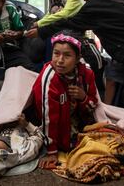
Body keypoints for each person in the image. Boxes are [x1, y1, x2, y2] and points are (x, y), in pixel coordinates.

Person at [32, 30, 98, 169]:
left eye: (67, 55)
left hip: (80, 123)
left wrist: (83, 98)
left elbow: (94, 105)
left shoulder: (86, 74)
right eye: (56, 53)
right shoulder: (49, 79)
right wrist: (51, 151)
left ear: (78, 57)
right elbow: (48, 118)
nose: (60, 60)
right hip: (55, 128)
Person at [0, 113, 44, 179]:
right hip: (22, 121)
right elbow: (40, 137)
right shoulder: (22, 150)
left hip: (9, 118)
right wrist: (26, 124)